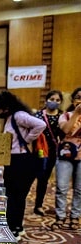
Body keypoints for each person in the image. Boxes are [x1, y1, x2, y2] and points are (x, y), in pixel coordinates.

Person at [0, 91, 45, 238]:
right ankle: (11, 224)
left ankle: (16, 227)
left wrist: (27, 140)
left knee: (18, 195)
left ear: (5, 107)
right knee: (10, 195)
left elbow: (41, 124)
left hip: (22, 161)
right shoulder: (9, 118)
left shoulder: (18, 115)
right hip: (13, 161)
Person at [53, 87, 81, 230]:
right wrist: (76, 113)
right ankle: (60, 217)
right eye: (78, 97)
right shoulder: (66, 115)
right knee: (61, 188)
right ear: (73, 100)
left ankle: (75, 216)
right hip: (66, 156)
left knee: (79, 189)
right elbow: (66, 130)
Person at [33, 90, 63, 216]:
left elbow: (63, 134)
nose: (54, 102)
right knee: (31, 176)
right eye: (52, 99)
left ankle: (38, 205)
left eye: (57, 100)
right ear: (46, 100)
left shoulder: (62, 116)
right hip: (38, 149)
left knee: (43, 179)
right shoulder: (38, 115)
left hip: (52, 152)